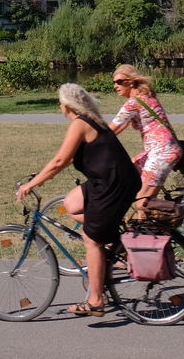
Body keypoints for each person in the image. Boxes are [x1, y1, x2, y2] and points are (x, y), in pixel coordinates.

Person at [17, 83, 139, 317]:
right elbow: (71, 157)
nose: (59, 106)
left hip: (113, 184)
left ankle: (95, 300)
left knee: (91, 239)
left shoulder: (80, 124)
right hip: (107, 181)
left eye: (60, 102)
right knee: (71, 204)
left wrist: (32, 184)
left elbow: (60, 161)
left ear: (67, 105)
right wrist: (41, 175)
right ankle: (112, 240)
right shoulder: (91, 121)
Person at [109, 64, 183, 208]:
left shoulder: (134, 102)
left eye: (119, 82)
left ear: (130, 81)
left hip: (162, 153)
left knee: (141, 203)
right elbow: (120, 127)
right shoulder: (145, 97)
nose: (115, 86)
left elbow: (111, 129)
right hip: (161, 151)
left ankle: (156, 224)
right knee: (128, 172)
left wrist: (89, 142)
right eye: (114, 82)